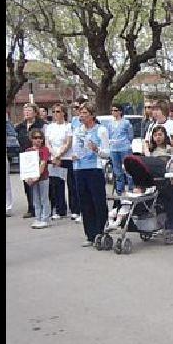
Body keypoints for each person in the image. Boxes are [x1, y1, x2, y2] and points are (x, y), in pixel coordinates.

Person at [72, 103, 110, 247]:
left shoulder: (101, 130)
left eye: (85, 113)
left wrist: (97, 149)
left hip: (94, 168)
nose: (81, 116)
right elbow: (75, 149)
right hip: (79, 168)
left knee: (97, 201)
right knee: (85, 202)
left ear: (92, 115)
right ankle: (90, 234)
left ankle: (101, 231)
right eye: (80, 113)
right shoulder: (78, 130)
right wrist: (74, 156)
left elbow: (107, 153)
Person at [44, 104, 75, 220]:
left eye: (57, 112)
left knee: (71, 185)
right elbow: (47, 143)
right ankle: (59, 209)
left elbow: (68, 142)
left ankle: (74, 210)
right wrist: (54, 155)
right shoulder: (50, 127)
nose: (55, 114)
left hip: (66, 158)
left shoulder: (68, 126)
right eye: (54, 112)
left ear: (63, 113)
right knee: (56, 185)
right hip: (53, 158)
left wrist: (59, 154)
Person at [15, 105, 46, 218]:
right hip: (25, 156)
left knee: (41, 182)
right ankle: (31, 207)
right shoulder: (20, 127)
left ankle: (44, 207)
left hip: (38, 155)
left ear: (35, 112)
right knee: (27, 182)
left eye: (29, 111)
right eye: (25, 111)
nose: (27, 113)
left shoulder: (41, 125)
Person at [106, 103, 135, 199]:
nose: (113, 112)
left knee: (128, 169)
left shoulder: (126, 122)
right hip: (114, 148)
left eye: (115, 110)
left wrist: (126, 143)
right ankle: (120, 190)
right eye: (112, 111)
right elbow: (109, 135)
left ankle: (131, 189)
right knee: (117, 170)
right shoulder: (110, 123)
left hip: (124, 148)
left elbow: (130, 135)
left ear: (120, 111)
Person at [25, 129, 52, 229]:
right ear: (31, 139)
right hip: (33, 178)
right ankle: (38, 217)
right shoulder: (28, 151)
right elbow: (26, 166)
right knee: (36, 199)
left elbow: (43, 163)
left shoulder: (44, 149)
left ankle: (45, 219)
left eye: (40, 138)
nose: (38, 140)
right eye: (36, 138)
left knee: (44, 198)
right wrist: (27, 177)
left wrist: (37, 175)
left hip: (43, 178)